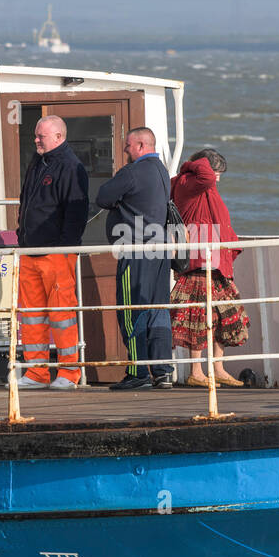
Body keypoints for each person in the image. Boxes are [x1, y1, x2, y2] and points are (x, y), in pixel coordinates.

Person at [96, 126, 174, 390]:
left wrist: (120, 203)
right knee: (158, 311)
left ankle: (138, 371)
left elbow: (103, 196)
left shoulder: (133, 172)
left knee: (131, 311)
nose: (125, 150)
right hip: (161, 252)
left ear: (141, 145)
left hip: (136, 252)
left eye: (128, 146)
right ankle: (163, 372)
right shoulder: (162, 171)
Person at [15, 115, 90, 391]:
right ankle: (36, 371)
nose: (35, 140)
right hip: (30, 250)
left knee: (62, 315)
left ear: (58, 137)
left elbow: (77, 211)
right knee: (32, 316)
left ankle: (69, 372)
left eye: (41, 136)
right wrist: (20, 235)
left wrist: (66, 248)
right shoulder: (38, 161)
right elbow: (27, 201)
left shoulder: (71, 167)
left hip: (56, 253)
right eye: (36, 135)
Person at [169, 148, 248, 387]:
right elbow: (205, 175)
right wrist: (196, 163)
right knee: (198, 317)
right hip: (199, 262)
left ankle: (218, 368)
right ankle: (196, 371)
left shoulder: (202, 185)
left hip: (215, 262)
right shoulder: (188, 183)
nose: (218, 179)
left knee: (224, 315)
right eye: (217, 173)